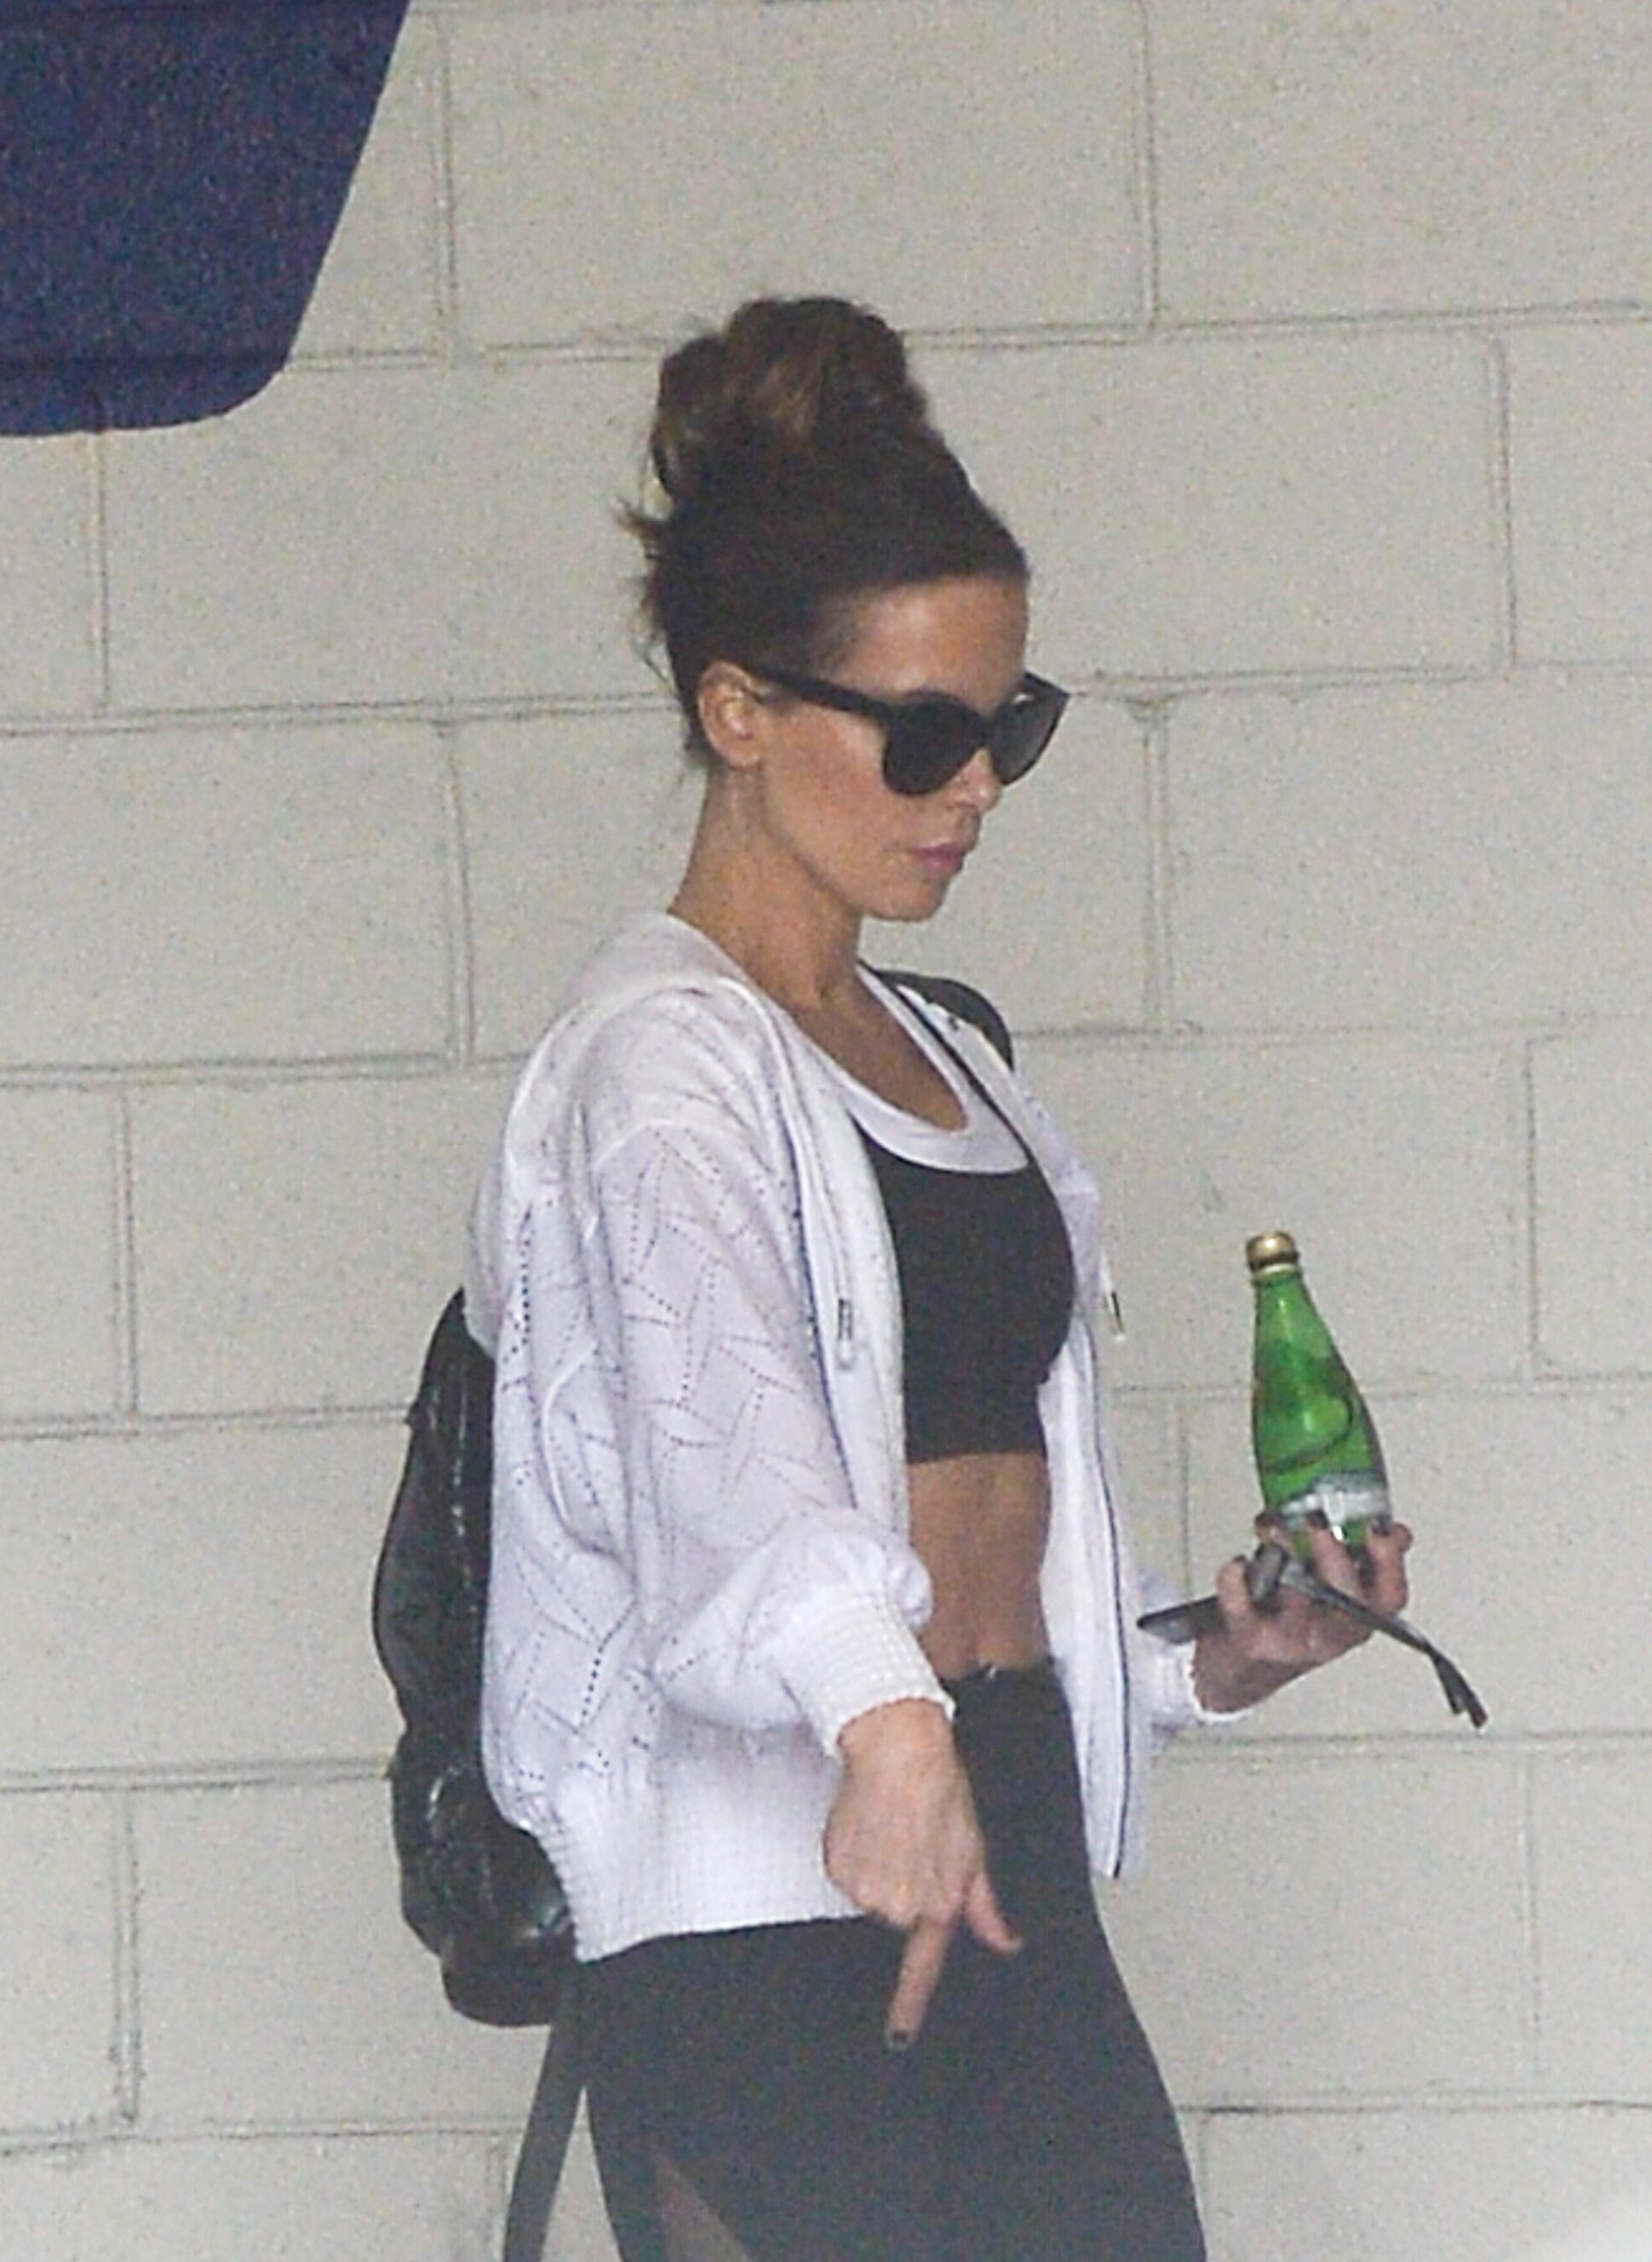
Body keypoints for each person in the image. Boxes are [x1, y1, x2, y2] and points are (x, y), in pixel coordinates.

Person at [471, 296, 1411, 2262]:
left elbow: (982, 1549)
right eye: (920, 734)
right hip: (774, 1893)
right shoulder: (662, 1060)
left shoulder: (945, 1055)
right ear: (739, 711)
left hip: (988, 1826)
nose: (971, 783)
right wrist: (887, 1729)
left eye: (1008, 725)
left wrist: (1208, 1657)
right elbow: (730, 1465)